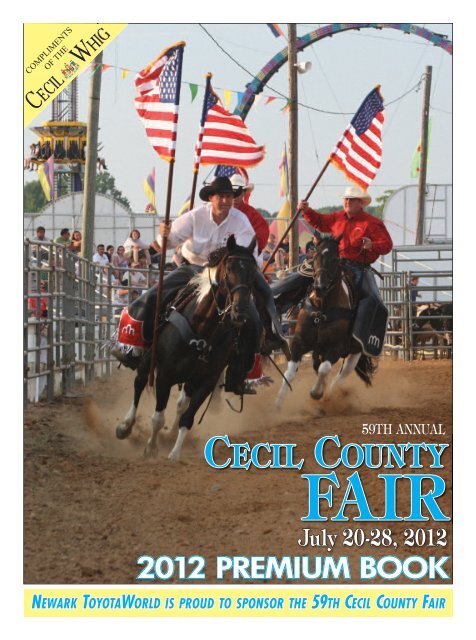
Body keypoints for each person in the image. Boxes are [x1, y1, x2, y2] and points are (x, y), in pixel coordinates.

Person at [112, 176, 288, 392]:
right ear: (211, 198)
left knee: (253, 314)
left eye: (229, 196)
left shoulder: (242, 220)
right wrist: (162, 237)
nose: (225, 201)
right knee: (153, 295)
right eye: (220, 196)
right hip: (193, 269)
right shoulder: (195, 216)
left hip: (226, 275)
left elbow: (247, 252)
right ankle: (134, 347)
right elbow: (167, 243)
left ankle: (243, 369)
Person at [298, 184, 393, 356]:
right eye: (346, 199)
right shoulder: (337, 217)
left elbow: (387, 244)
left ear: (360, 203)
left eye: (352, 199)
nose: (348, 202)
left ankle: (361, 336)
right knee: (300, 279)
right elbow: (319, 221)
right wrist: (307, 210)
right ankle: (285, 312)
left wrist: (372, 244)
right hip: (334, 264)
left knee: (372, 298)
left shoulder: (371, 223)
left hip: (359, 267)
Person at [230, 174, 269, 256]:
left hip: (247, 255)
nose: (235, 197)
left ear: (243, 193)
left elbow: (262, 236)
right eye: (232, 193)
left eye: (238, 193)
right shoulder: (221, 211)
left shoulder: (253, 214)